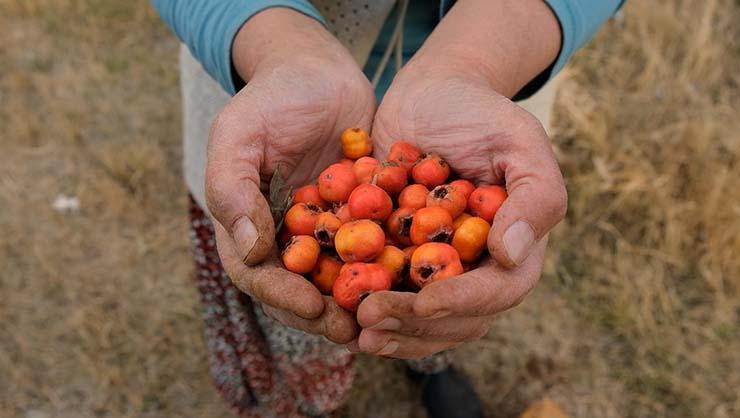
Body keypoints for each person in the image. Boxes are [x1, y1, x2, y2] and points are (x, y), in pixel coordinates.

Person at [151, 1, 624, 417]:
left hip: (486, 96)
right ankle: (306, 399)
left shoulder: (412, 213)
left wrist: (471, 67)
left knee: (435, 309)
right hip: (277, 108)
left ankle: (431, 367)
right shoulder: (346, 214)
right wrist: (276, 48)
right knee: (289, 301)